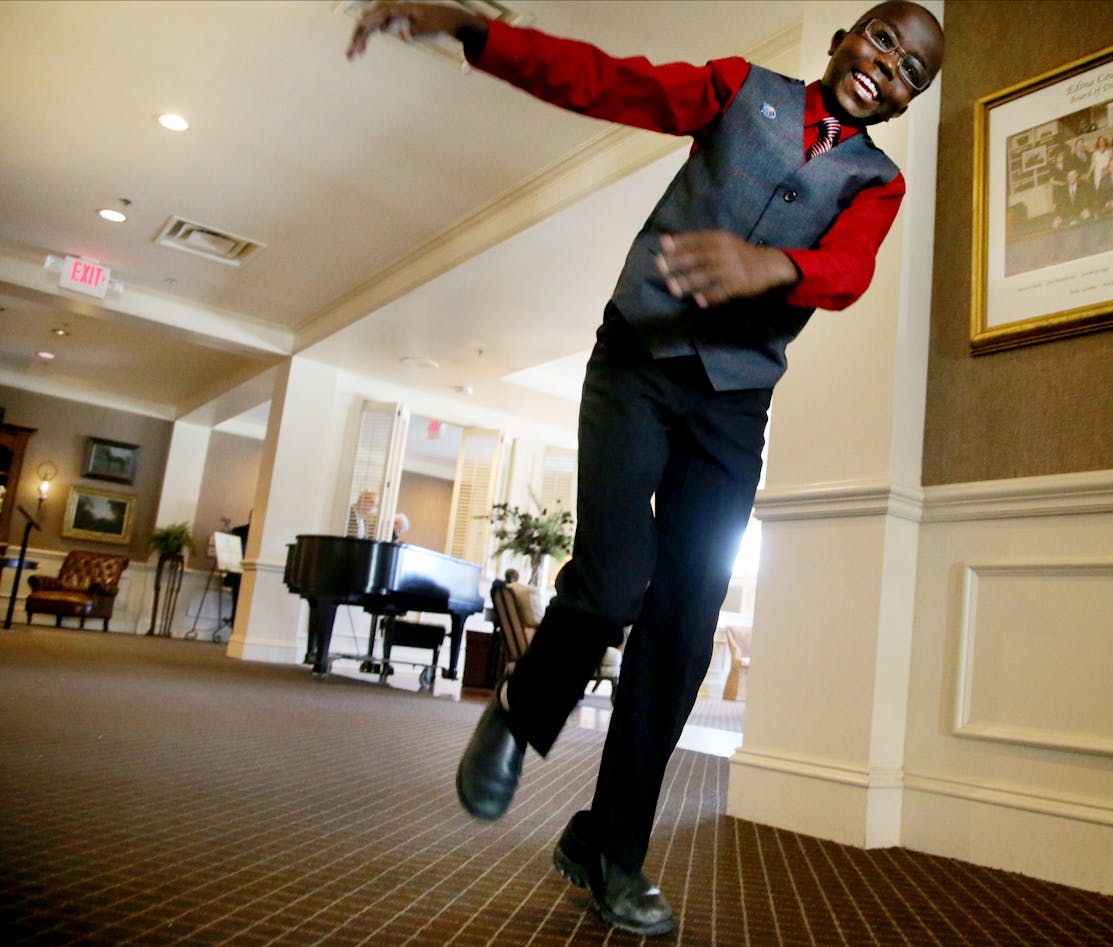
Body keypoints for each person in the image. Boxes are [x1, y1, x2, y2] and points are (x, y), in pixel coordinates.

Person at [348, 2, 944, 937]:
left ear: (908, 101)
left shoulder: (879, 180)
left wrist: (770, 267)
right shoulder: (741, 90)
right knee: (617, 573)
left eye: (912, 71)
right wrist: (473, 30)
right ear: (841, 36)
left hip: (734, 402)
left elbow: (849, 271)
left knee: (684, 626)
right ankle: (521, 708)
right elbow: (608, 79)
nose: (888, 67)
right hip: (639, 358)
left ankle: (609, 848)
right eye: (882, 40)